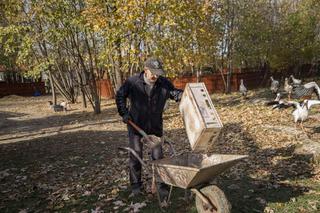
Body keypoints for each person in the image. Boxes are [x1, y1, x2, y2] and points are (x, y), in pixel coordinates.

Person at [115, 57, 183, 198]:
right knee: (136, 155)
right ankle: (136, 187)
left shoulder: (163, 83)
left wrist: (183, 95)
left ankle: (160, 186)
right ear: (146, 70)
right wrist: (124, 112)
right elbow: (120, 95)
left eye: (158, 73)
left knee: (158, 156)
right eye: (153, 73)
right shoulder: (133, 82)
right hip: (136, 126)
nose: (156, 76)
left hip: (155, 127)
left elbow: (173, 93)